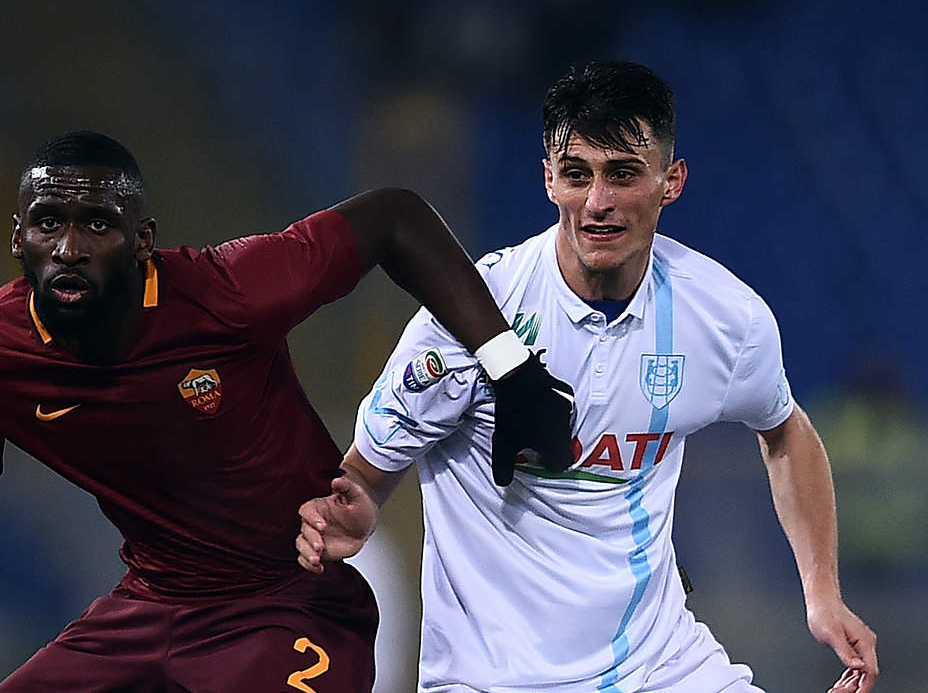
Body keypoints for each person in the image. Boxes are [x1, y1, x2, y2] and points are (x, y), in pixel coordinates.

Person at [0, 130, 575, 693]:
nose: (70, 244)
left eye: (98, 223)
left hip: (290, 606)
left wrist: (515, 370)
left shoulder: (224, 291)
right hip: (149, 612)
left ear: (142, 241)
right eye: (47, 222)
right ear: (19, 238)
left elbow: (391, 217)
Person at [296, 62, 879, 693]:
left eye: (623, 173)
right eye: (577, 174)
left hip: (662, 668)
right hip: (493, 680)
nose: (597, 202)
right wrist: (356, 507)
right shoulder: (471, 313)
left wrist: (822, 595)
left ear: (670, 182)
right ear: (549, 179)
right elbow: (363, 476)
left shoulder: (725, 319)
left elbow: (785, 429)